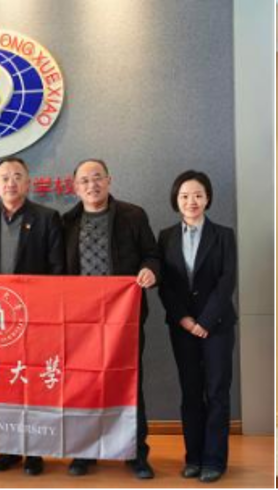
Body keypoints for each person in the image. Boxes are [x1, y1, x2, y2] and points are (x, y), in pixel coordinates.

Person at [62, 159, 161, 479]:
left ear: (109, 180)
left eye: (97, 178)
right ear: (75, 187)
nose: (92, 185)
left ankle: (136, 454)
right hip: (81, 323)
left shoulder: (133, 215)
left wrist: (150, 270)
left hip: (124, 318)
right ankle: (84, 453)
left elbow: (152, 255)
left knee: (129, 383)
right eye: (84, 181)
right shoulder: (66, 223)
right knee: (84, 385)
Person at [0, 156, 66, 476]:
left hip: (36, 317)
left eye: (17, 176)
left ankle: (35, 451)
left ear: (28, 183)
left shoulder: (47, 217)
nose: (10, 183)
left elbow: (57, 268)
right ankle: (8, 448)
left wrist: (46, 310)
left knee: (34, 382)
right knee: (3, 382)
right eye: (4, 177)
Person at [159, 170, 239, 483]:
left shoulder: (224, 235)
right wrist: (184, 319)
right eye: (184, 196)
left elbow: (227, 280)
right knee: (191, 392)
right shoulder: (166, 236)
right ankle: (193, 457)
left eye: (197, 195)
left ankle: (214, 460)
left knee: (217, 391)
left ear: (207, 198)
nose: (191, 201)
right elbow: (165, 284)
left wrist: (205, 321)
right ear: (176, 200)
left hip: (216, 325)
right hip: (182, 326)